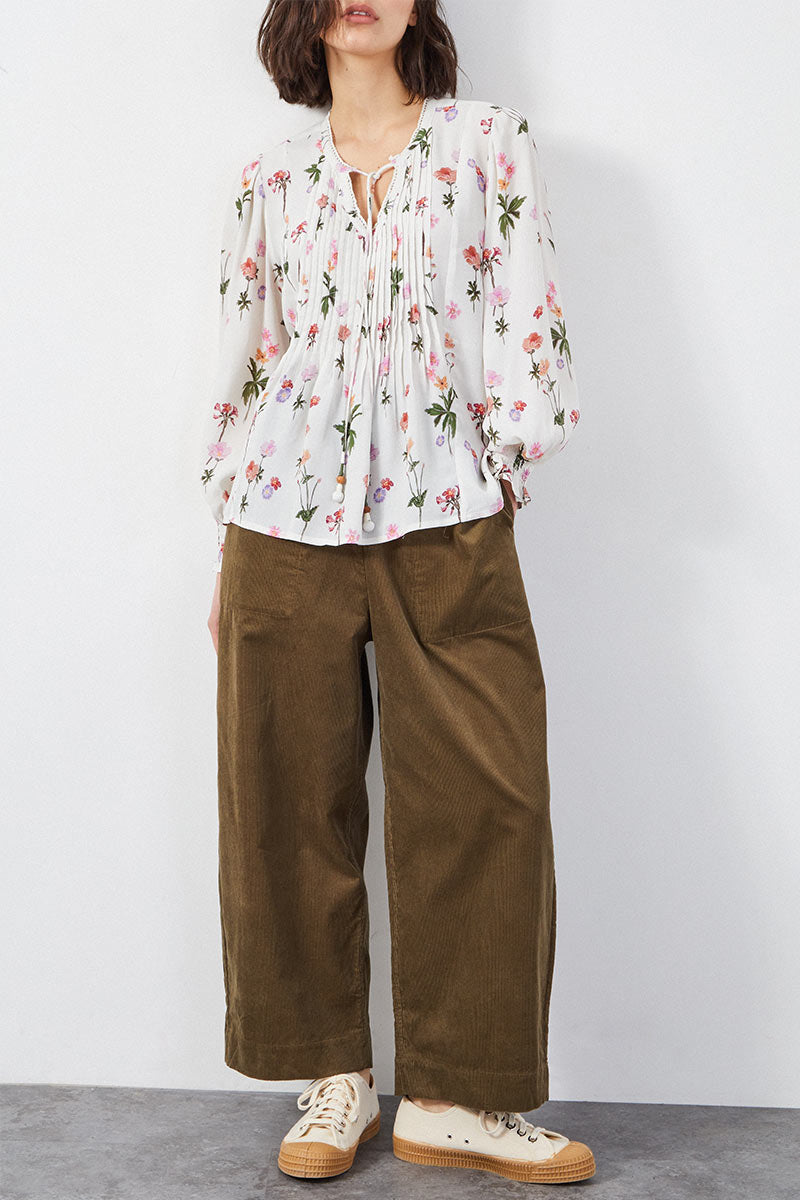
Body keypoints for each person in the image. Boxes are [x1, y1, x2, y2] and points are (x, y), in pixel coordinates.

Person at [201, 0, 594, 1185]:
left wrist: (501, 471)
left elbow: (524, 312)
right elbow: (247, 354)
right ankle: (333, 1073)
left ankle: (453, 1098)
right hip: (279, 519)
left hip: (449, 512)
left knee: (487, 797)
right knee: (283, 802)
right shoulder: (270, 175)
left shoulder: (486, 141)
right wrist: (224, 540)